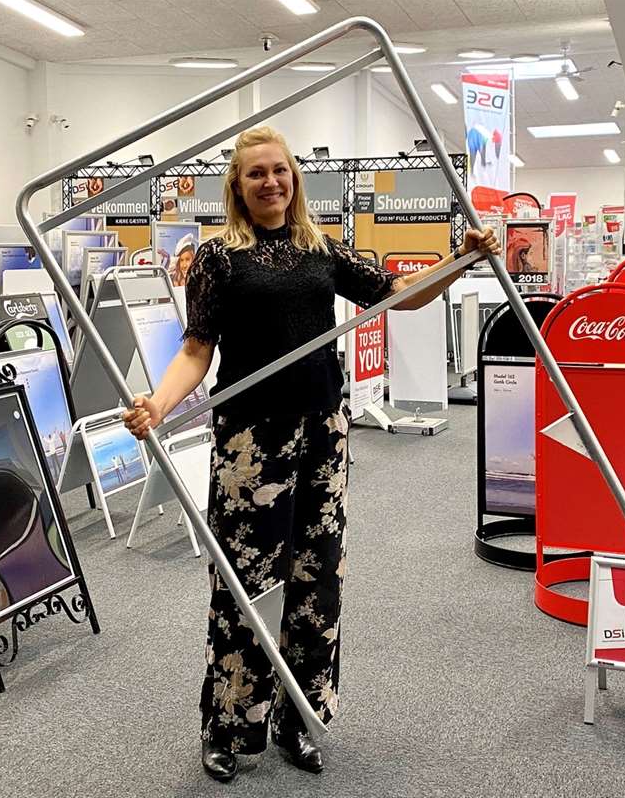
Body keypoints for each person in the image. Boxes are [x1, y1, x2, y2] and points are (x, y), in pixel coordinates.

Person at [122, 126, 500, 783]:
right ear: (237, 187)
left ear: (294, 178)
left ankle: (298, 719)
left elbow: (400, 293)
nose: (270, 182)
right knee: (244, 584)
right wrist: (158, 404)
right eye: (256, 174)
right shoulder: (216, 259)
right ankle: (229, 726)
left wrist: (461, 260)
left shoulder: (321, 248)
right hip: (250, 444)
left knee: (315, 584)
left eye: (279, 170)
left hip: (323, 436)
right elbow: (196, 351)